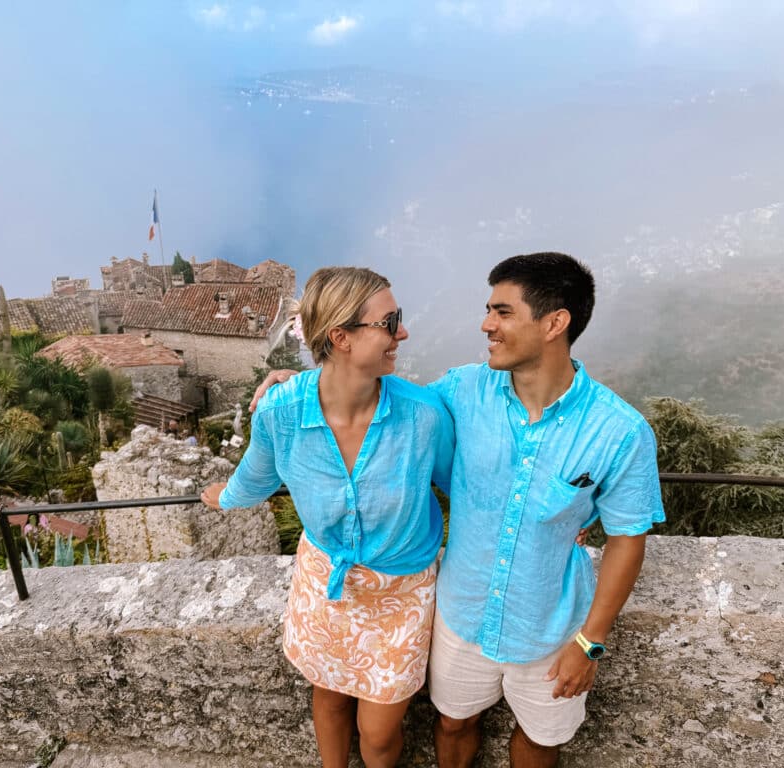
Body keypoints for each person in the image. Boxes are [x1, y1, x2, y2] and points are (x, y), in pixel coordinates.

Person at [251, 253, 664, 768]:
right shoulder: (462, 391)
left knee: (541, 740)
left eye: (503, 312)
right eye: (488, 310)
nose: (486, 324)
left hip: (549, 623)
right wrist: (303, 385)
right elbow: (375, 399)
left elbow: (628, 538)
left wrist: (591, 641)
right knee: (452, 722)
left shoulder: (619, 431)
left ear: (555, 323)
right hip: (461, 613)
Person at [201, 266, 454, 768]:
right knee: (330, 696)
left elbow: (463, 487)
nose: (402, 332)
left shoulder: (423, 416)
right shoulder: (281, 411)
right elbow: (258, 475)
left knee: (378, 733)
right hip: (325, 582)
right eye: (390, 322)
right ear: (341, 337)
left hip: (401, 592)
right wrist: (225, 496)